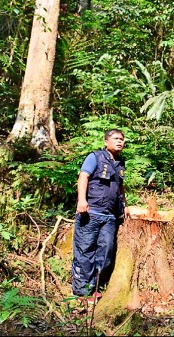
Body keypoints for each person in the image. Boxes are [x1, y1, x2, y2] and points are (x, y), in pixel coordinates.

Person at [71, 129, 127, 304]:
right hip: (91, 212)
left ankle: (93, 287)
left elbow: (120, 187)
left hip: (109, 216)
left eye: (122, 139)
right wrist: (81, 199)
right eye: (116, 139)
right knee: (85, 250)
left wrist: (124, 206)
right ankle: (81, 291)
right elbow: (83, 176)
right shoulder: (95, 157)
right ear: (106, 142)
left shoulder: (120, 163)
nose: (119, 142)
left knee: (105, 252)